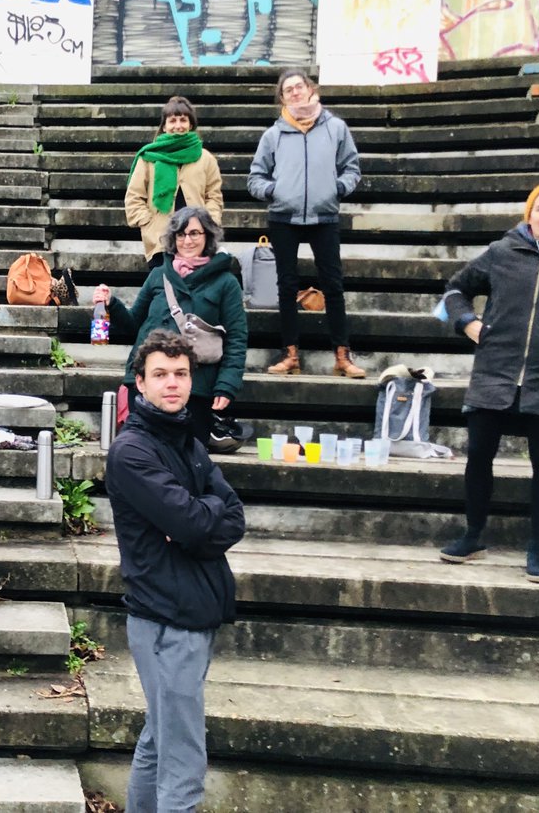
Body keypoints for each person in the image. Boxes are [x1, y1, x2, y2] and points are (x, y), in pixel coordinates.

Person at [106, 330, 246, 812]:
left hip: (194, 609)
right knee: (183, 760)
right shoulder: (133, 451)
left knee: (159, 738)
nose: (172, 383)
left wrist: (200, 516)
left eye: (181, 374)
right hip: (166, 617)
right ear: (140, 383)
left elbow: (233, 516)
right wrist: (201, 515)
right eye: (161, 374)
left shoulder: (187, 440)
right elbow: (192, 522)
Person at [438, 179, 539, 583]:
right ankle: (473, 536)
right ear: (529, 214)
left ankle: (537, 547)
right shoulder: (501, 252)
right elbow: (454, 291)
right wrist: (467, 323)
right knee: (479, 456)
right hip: (495, 371)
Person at [92, 207, 248, 452]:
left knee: (187, 457)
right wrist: (111, 303)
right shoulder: (158, 275)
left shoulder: (226, 282)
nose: (187, 240)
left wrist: (227, 385)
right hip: (146, 382)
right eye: (181, 234)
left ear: (207, 236)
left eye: (194, 233)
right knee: (143, 454)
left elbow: (237, 338)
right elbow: (133, 325)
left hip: (196, 386)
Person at [247, 68, 366, 378]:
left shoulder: (335, 128)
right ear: (282, 98)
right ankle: (290, 355)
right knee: (286, 286)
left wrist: (337, 188)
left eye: (299, 86)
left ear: (310, 89)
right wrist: (273, 191)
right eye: (288, 90)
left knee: (333, 285)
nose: (295, 92)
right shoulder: (273, 135)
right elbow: (255, 177)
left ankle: (342, 356)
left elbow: (352, 168)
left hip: (324, 216)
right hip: (283, 217)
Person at [125, 95, 223, 270]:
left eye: (183, 120)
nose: (178, 126)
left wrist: (209, 222)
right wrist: (149, 223)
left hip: (196, 240)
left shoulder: (206, 158)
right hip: (160, 239)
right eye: (172, 121)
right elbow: (134, 197)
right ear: (164, 126)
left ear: (191, 124)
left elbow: (214, 197)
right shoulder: (148, 158)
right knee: (163, 285)